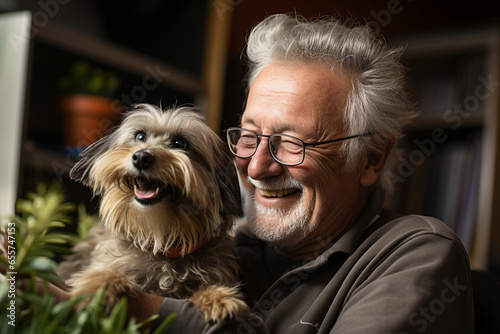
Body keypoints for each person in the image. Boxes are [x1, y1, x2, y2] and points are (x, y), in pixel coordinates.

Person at [4, 13, 474, 333]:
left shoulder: (413, 254)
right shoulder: (230, 243)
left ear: (371, 158)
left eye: (292, 142)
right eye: (248, 136)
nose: (256, 166)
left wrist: (140, 308)